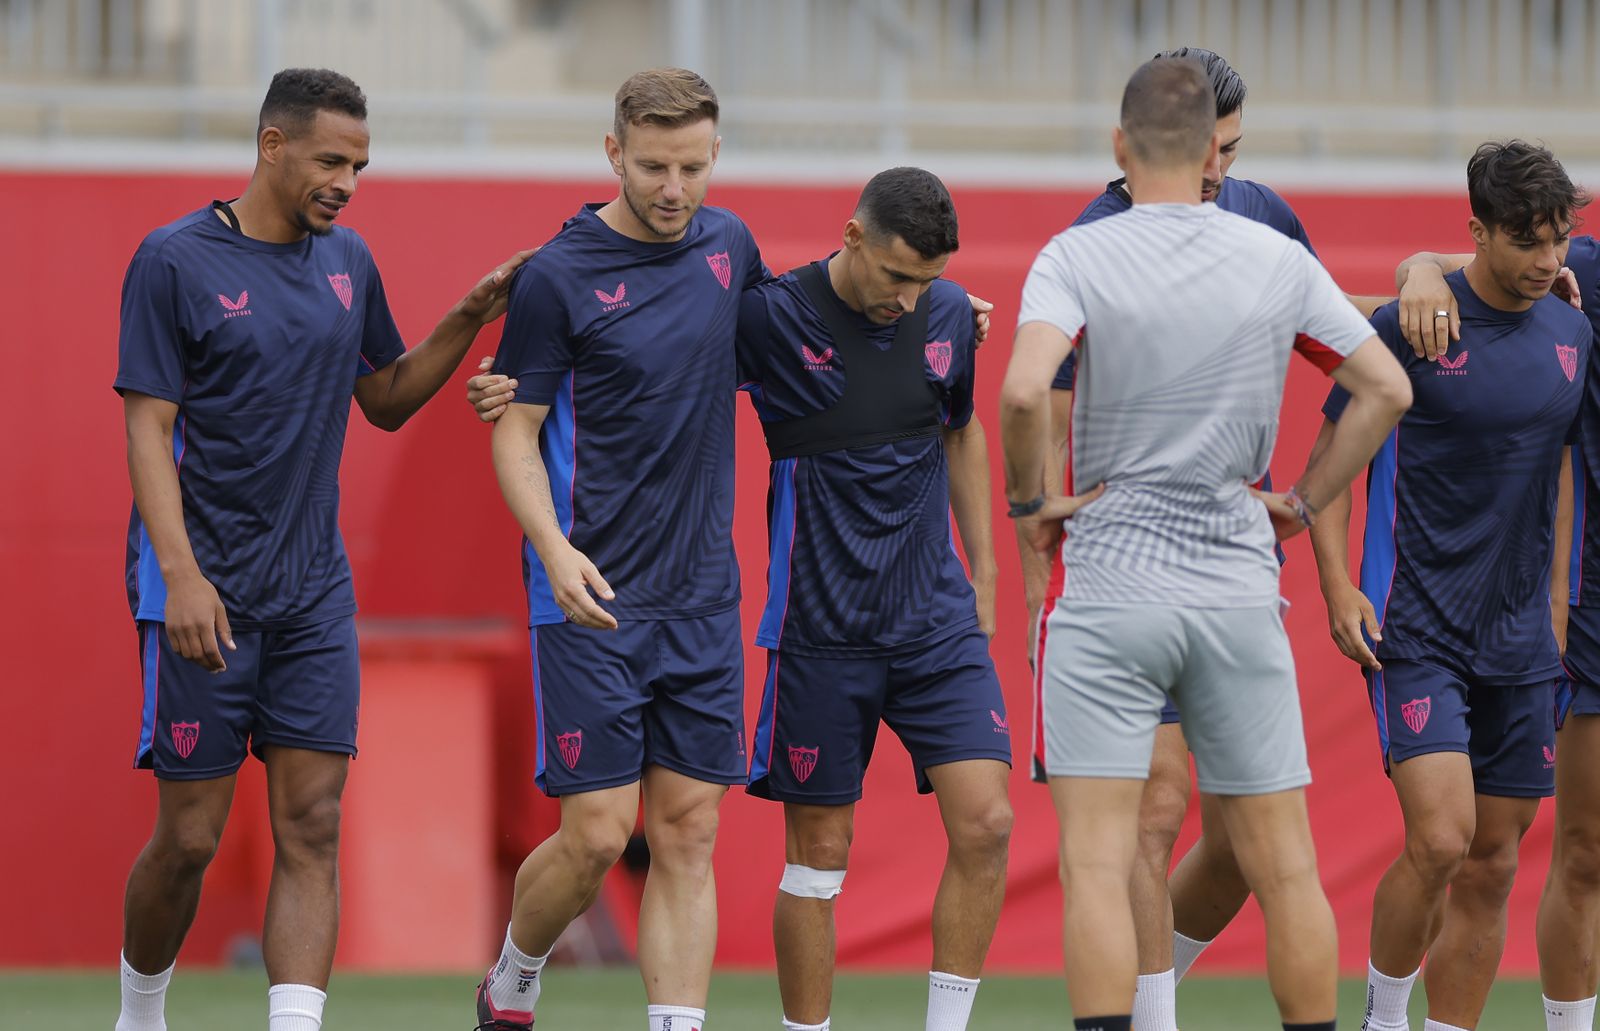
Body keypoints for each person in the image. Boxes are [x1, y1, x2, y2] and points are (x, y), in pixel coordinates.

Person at [112, 68, 528, 1031]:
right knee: (190, 837)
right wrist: (179, 575)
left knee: (314, 822)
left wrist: (466, 320)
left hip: (310, 599)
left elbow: (383, 400)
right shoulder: (173, 259)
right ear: (272, 147)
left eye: (361, 165)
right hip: (199, 591)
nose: (347, 180)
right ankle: (140, 1013)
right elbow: (147, 427)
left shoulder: (350, 263)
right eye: (331, 160)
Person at [1001, 56, 1411, 1031]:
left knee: (1098, 859)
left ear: (1118, 146)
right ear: (1211, 153)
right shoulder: (1272, 256)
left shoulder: (1076, 254)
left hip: (1107, 585)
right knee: (1286, 861)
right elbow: (1386, 387)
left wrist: (1034, 499)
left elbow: (1022, 392)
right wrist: (1301, 501)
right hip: (1234, 584)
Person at [474, 67, 767, 1031]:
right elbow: (514, 431)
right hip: (589, 592)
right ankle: (516, 971)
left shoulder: (731, 246)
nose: (674, 188)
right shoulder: (560, 275)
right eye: (652, 166)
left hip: (701, 598)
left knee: (689, 831)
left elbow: (812, 338)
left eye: (691, 165)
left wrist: (944, 319)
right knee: (600, 834)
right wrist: (555, 550)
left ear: (716, 153)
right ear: (614, 154)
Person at [736, 167, 1011, 1031]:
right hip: (821, 634)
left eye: (926, 281)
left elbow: (961, 434)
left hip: (935, 623)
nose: (909, 298)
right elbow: (655, 366)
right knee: (819, 861)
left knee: (989, 823)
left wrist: (985, 571)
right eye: (898, 276)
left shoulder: (947, 316)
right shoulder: (770, 317)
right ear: (852, 237)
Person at [1368, 142, 1594, 1031]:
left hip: (1525, 639)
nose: (1548, 261)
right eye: (1529, 242)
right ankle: (1383, 1018)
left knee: (1494, 861)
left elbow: (1563, 468)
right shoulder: (1416, 320)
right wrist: (1339, 581)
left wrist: (1556, 606)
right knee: (1440, 837)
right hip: (1420, 624)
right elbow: (1344, 439)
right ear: (1479, 231)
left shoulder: (1574, 328)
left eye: (1560, 242)